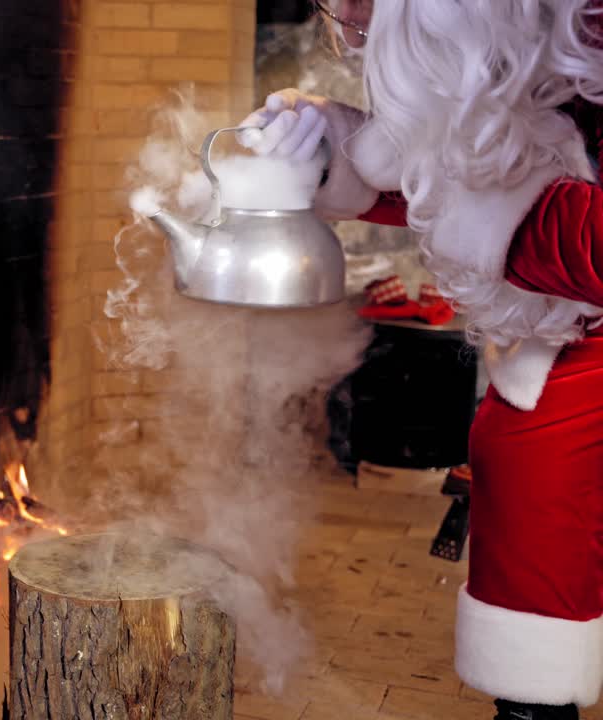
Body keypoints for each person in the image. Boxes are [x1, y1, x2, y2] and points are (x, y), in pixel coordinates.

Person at [242, 2, 603, 719]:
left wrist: (494, 222)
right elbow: (475, 170)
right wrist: (334, 156)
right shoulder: (511, 44)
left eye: (356, 3)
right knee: (526, 466)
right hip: (570, 344)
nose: (341, 26)